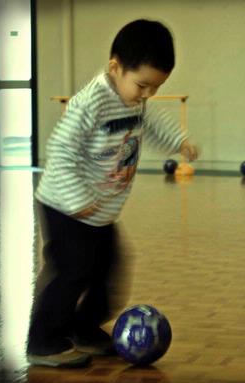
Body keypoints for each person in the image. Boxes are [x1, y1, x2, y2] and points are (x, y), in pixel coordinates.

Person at [27, 19, 198, 368]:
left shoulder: (133, 100)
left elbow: (151, 123)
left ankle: (83, 328)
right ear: (115, 67)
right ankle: (42, 340)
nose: (148, 95)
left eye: (156, 87)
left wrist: (179, 142)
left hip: (99, 210)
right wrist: (79, 201)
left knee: (109, 269)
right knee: (71, 271)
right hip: (65, 205)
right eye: (143, 85)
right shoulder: (92, 103)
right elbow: (61, 151)